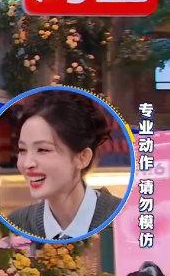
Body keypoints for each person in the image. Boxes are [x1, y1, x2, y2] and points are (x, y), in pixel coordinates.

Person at [7, 90, 121, 240]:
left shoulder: (123, 218)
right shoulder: (17, 224)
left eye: (43, 150)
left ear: (83, 158)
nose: (27, 163)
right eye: (22, 150)